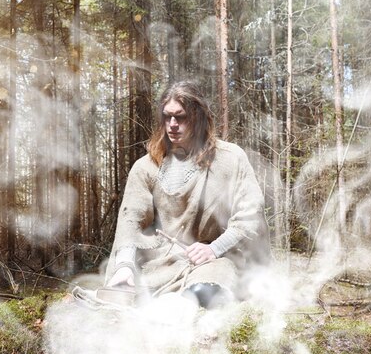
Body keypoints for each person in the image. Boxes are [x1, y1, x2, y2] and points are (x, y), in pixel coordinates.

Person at [104, 81, 270, 308]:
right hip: (163, 263)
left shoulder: (231, 158)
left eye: (180, 117)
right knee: (127, 298)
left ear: (198, 117)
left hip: (216, 261)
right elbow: (130, 219)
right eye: (167, 117)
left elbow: (250, 214)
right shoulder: (146, 167)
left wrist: (214, 248)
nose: (172, 124)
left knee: (203, 294)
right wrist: (124, 266)